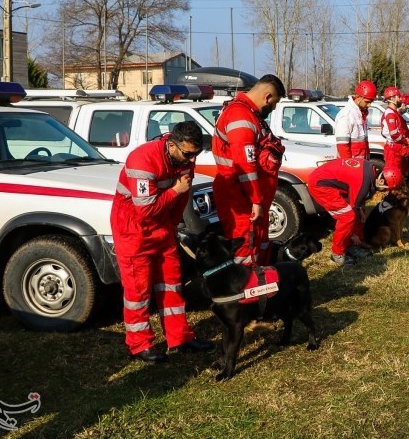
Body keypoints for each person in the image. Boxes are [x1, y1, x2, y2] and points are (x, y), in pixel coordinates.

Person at [111, 121, 214, 363]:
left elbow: (182, 196)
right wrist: (174, 192)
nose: (191, 160)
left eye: (196, 155)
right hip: (134, 232)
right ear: (171, 145)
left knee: (171, 283)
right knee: (138, 290)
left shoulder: (184, 157)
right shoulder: (142, 160)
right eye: (188, 154)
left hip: (163, 229)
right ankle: (140, 344)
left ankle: (180, 336)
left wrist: (173, 223)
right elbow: (146, 210)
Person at [212, 74, 286, 267]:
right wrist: (256, 200)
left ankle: (261, 281)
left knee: (258, 240)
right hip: (239, 195)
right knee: (246, 244)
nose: (273, 108)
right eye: (274, 103)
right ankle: (246, 290)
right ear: (267, 97)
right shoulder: (240, 116)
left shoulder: (250, 114)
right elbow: (245, 165)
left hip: (247, 195)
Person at [308, 158, 403, 266]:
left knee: (359, 212)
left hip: (327, 180)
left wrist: (359, 211)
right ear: (381, 181)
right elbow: (354, 205)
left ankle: (353, 246)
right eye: (385, 188)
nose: (384, 191)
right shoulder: (364, 181)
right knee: (347, 216)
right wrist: (352, 234)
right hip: (321, 185)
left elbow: (358, 201)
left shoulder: (369, 169)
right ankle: (337, 255)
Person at [335, 80, 375, 159]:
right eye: (367, 102)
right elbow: (343, 146)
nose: (369, 105)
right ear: (358, 97)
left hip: (360, 165)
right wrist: (349, 168)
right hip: (351, 166)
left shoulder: (361, 114)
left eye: (371, 102)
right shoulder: (346, 115)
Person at [381, 86, 409, 176]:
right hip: (393, 149)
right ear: (392, 98)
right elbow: (394, 134)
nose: (400, 99)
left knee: (400, 173)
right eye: (398, 97)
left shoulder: (394, 113)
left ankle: (400, 189)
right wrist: (405, 140)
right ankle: (393, 190)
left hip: (398, 148)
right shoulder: (390, 114)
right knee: (393, 174)